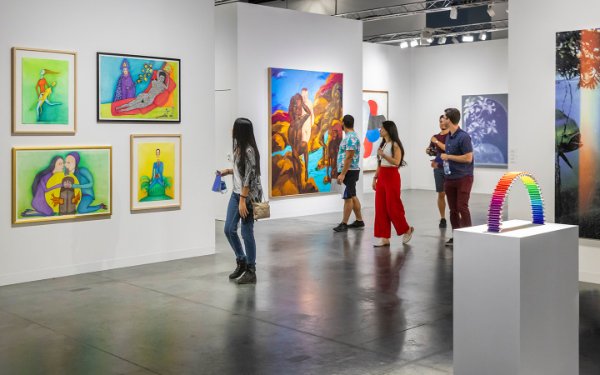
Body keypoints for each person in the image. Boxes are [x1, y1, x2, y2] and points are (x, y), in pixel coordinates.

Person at [219, 118, 263, 284]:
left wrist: (243, 200)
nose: (231, 130)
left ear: (240, 131)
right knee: (229, 229)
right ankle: (241, 260)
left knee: (246, 232)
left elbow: (250, 178)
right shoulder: (238, 147)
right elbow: (241, 171)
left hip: (248, 196)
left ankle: (251, 270)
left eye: (234, 127)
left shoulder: (249, 151)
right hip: (236, 194)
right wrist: (228, 171)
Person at [372, 120, 414, 246]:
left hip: (392, 176)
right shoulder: (383, 144)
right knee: (380, 207)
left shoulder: (395, 145)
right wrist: (375, 178)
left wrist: (383, 155)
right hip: (382, 177)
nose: (380, 130)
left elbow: (396, 162)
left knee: (393, 206)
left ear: (388, 130)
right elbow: (380, 164)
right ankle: (384, 237)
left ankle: (406, 229)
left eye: (382, 128)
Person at [440, 108, 474, 247]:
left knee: (462, 206)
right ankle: (456, 235)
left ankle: (469, 236)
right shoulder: (448, 137)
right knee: (453, 209)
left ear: (450, 120)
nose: (442, 120)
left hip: (464, 177)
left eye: (445, 118)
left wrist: (448, 156)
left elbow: (468, 158)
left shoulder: (464, 137)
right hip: (450, 178)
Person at [333, 114, 364, 232]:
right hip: (350, 170)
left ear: (343, 124)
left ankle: (344, 223)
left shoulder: (350, 138)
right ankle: (359, 220)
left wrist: (343, 174)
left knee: (348, 197)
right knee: (352, 195)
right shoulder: (352, 136)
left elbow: (349, 157)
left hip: (349, 171)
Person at [426, 115, 450, 228]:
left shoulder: (452, 136)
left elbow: (448, 150)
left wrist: (435, 141)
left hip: (451, 168)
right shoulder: (435, 136)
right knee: (441, 193)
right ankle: (443, 218)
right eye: (440, 121)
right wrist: (429, 151)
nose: (442, 124)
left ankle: (456, 216)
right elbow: (434, 151)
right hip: (438, 168)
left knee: (452, 195)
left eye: (444, 121)